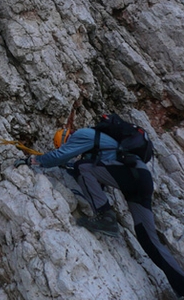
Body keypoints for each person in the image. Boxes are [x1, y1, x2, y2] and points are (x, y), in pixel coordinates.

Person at [17, 126, 184, 299]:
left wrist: (34, 161)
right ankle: (181, 286)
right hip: (140, 179)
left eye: (65, 144)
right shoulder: (100, 143)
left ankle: (106, 217)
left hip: (131, 176)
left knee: (82, 167)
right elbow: (100, 175)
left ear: (67, 137)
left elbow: (63, 156)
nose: (68, 147)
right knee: (148, 239)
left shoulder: (81, 135)